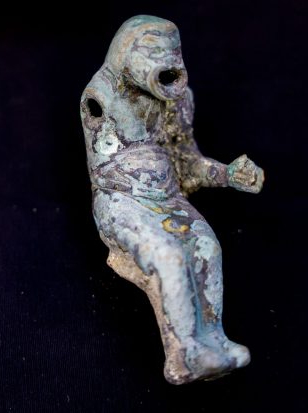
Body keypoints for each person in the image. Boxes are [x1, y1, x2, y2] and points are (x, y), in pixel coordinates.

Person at [80, 15, 264, 384]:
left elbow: (187, 162)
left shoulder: (179, 100)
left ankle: (215, 342)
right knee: (169, 257)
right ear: (125, 54)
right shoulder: (102, 97)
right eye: (153, 54)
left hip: (167, 198)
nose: (166, 68)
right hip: (120, 201)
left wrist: (228, 174)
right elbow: (109, 168)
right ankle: (183, 353)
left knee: (207, 248)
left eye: (171, 56)